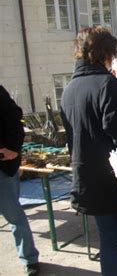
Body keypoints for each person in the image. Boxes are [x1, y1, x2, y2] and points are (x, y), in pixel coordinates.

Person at [60, 27, 117, 276]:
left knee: (110, 244)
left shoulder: (69, 90)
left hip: (91, 182)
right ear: (106, 54)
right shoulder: (107, 85)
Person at [0, 85, 40, 276]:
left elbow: (15, 120)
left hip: (1, 167)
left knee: (14, 215)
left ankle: (29, 259)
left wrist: (13, 149)